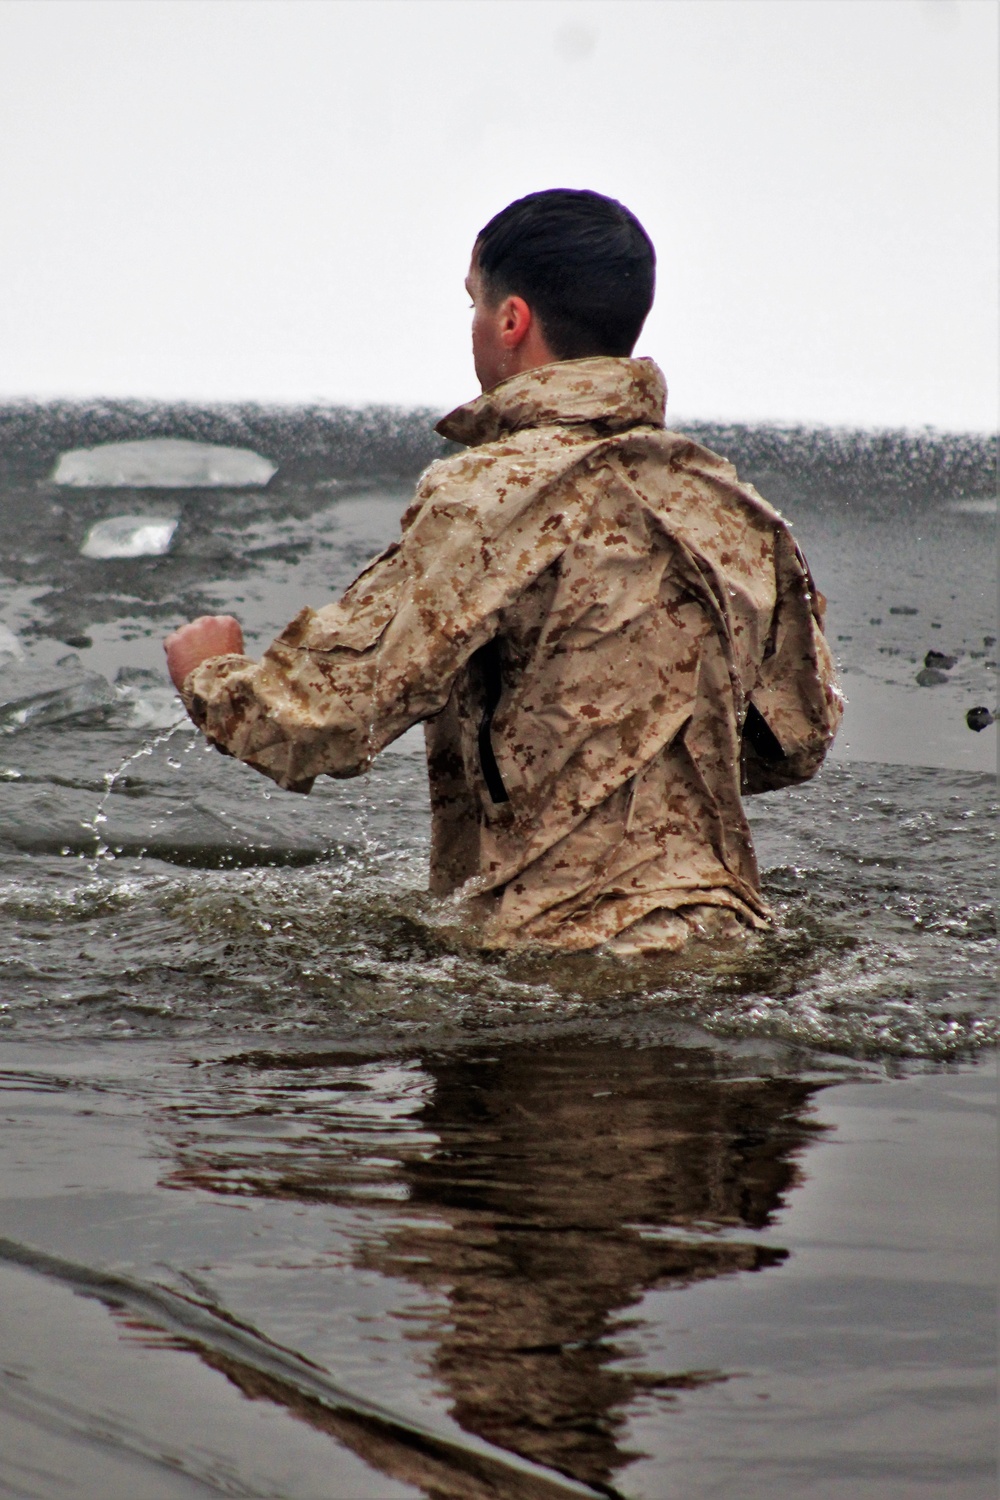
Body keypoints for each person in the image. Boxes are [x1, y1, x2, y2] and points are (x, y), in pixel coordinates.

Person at [165, 188, 842, 954]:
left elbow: (332, 716)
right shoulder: (731, 503)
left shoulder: (490, 494)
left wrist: (213, 678)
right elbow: (796, 740)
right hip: (726, 939)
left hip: (553, 950)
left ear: (512, 320)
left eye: (475, 304)